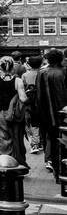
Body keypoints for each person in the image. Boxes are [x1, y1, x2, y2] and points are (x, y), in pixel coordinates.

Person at [0, 56, 27, 164]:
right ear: (13, 68)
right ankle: (12, 162)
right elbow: (23, 98)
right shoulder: (18, 81)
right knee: (13, 138)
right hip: (13, 115)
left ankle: (0, 163)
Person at [37, 49, 66, 181]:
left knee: (53, 143)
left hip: (47, 116)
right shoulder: (64, 72)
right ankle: (63, 172)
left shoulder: (42, 73)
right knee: (63, 144)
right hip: (63, 115)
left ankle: (57, 173)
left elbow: (39, 97)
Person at [21, 53, 43, 154]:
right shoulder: (43, 73)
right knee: (39, 122)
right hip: (42, 101)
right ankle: (39, 142)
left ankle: (34, 144)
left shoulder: (25, 75)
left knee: (30, 123)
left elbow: (23, 89)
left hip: (29, 102)